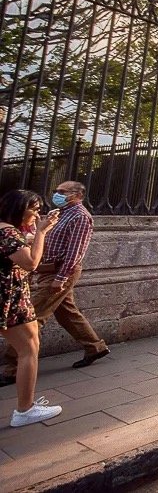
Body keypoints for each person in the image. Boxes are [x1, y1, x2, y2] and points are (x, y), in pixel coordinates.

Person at [2, 181, 108, 383]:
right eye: (56, 191)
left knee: (33, 314)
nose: (56, 194)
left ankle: (11, 367)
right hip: (47, 269)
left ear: (76, 194)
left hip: (60, 271)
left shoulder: (80, 216)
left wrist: (61, 278)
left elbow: (76, 251)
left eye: (61, 192)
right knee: (66, 312)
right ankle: (95, 347)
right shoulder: (60, 213)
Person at [0, 189, 64, 426]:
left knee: (28, 345)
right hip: (10, 297)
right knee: (29, 349)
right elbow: (31, 262)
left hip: (10, 296)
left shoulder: (5, 229)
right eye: (34, 209)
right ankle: (24, 410)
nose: (37, 215)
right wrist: (42, 232)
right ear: (19, 208)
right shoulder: (7, 232)